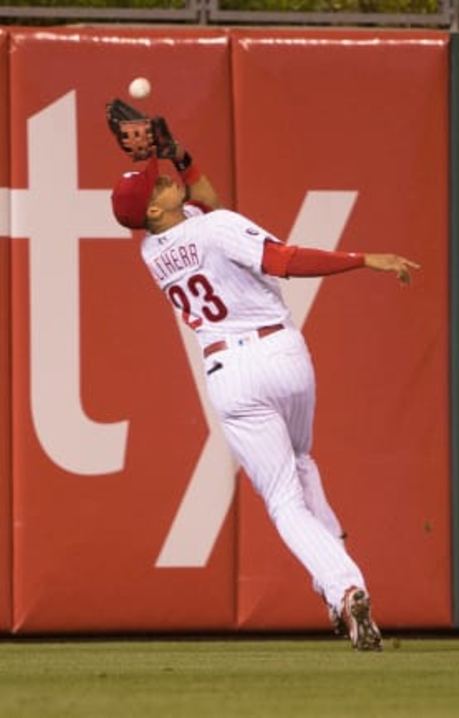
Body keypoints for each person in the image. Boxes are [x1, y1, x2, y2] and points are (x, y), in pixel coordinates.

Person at [110, 131, 420, 651]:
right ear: (156, 212)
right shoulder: (213, 226)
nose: (166, 180)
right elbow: (281, 260)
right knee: (302, 463)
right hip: (284, 357)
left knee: (284, 501)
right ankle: (338, 590)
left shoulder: (153, 248)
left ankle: (344, 587)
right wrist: (364, 258)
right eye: (158, 185)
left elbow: (201, 203)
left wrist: (177, 154)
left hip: (231, 373)